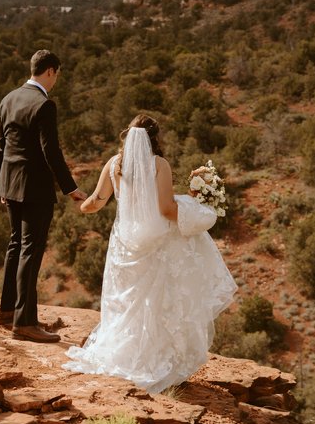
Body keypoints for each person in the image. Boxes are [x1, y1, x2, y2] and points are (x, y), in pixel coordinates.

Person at [63, 114, 236, 393]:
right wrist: (196, 212)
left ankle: (124, 356)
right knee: (154, 303)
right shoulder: (159, 165)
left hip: (124, 243)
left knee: (125, 302)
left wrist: (81, 205)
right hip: (154, 243)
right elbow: (167, 210)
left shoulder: (113, 165)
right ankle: (154, 359)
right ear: (155, 138)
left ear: (128, 136)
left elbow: (95, 202)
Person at [0, 49, 86, 343]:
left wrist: (2, 184)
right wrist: (70, 187)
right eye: (57, 74)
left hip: (10, 184)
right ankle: (25, 323)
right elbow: (51, 151)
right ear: (50, 71)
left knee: (15, 245)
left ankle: (8, 310)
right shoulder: (44, 105)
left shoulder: (8, 99)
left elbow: (2, 146)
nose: (56, 79)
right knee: (30, 252)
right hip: (34, 188)